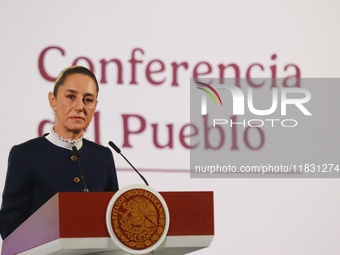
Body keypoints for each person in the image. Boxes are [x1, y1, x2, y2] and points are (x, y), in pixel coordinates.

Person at [0, 66, 119, 239]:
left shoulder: (103, 156)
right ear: (53, 101)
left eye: (88, 100)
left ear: (95, 106)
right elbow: (10, 225)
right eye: (71, 97)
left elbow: (114, 221)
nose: (79, 107)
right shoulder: (26, 155)